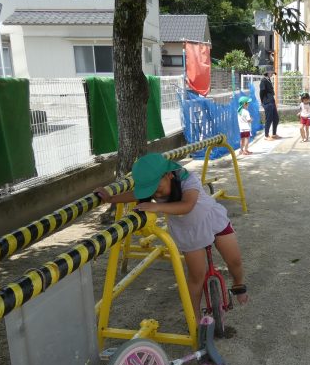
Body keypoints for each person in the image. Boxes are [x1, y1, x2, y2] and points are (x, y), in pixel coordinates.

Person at [95, 154, 248, 314]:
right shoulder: (154, 187)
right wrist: (111, 198)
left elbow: (187, 205)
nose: (156, 195)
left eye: (158, 189)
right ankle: (194, 316)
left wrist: (158, 207)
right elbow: (135, 194)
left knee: (234, 260)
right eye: (151, 192)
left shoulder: (188, 179)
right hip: (188, 232)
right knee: (197, 276)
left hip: (212, 220)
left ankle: (238, 285)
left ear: (168, 174)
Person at [259, 69, 282, 140]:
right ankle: (266, 135)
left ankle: (274, 134)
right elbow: (261, 92)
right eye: (271, 72)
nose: (272, 74)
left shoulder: (268, 79)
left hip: (271, 101)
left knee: (276, 118)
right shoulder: (264, 80)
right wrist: (262, 101)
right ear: (268, 72)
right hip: (267, 102)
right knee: (269, 119)